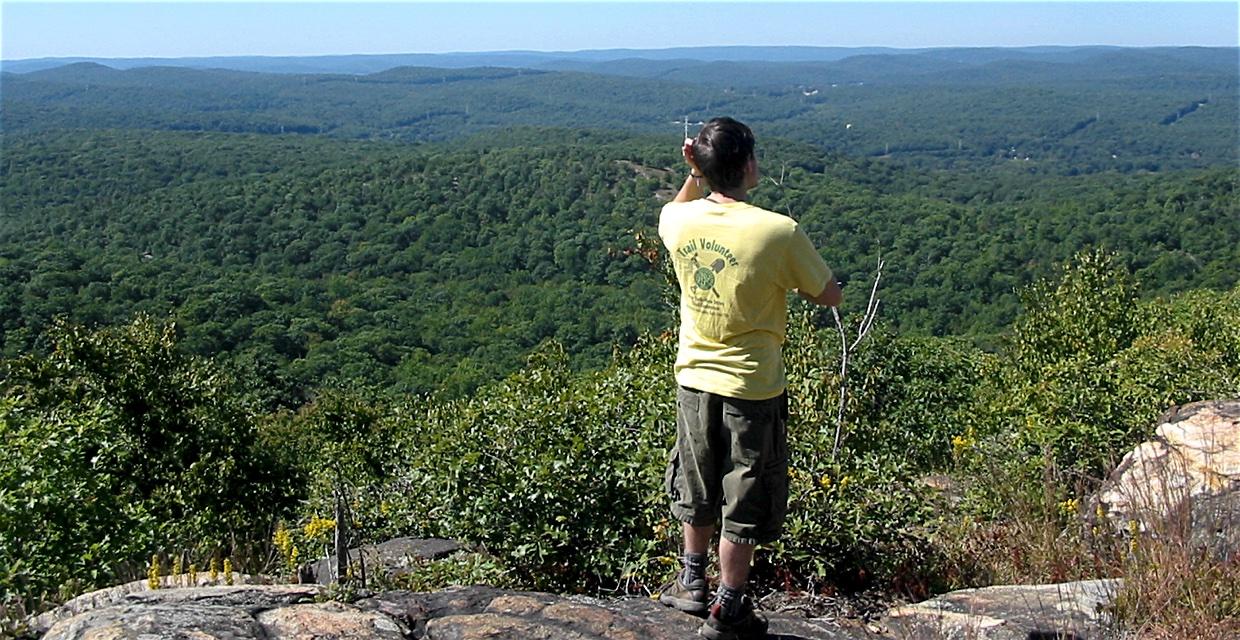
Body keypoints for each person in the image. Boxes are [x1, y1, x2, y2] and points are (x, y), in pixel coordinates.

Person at [655, 117, 841, 640]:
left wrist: (693, 172)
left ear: (702, 165)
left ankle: (691, 582)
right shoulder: (777, 232)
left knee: (696, 478)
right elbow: (829, 294)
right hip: (752, 385)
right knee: (745, 489)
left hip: (694, 379)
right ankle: (729, 605)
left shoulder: (679, 224)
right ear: (750, 164)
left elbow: (676, 205)